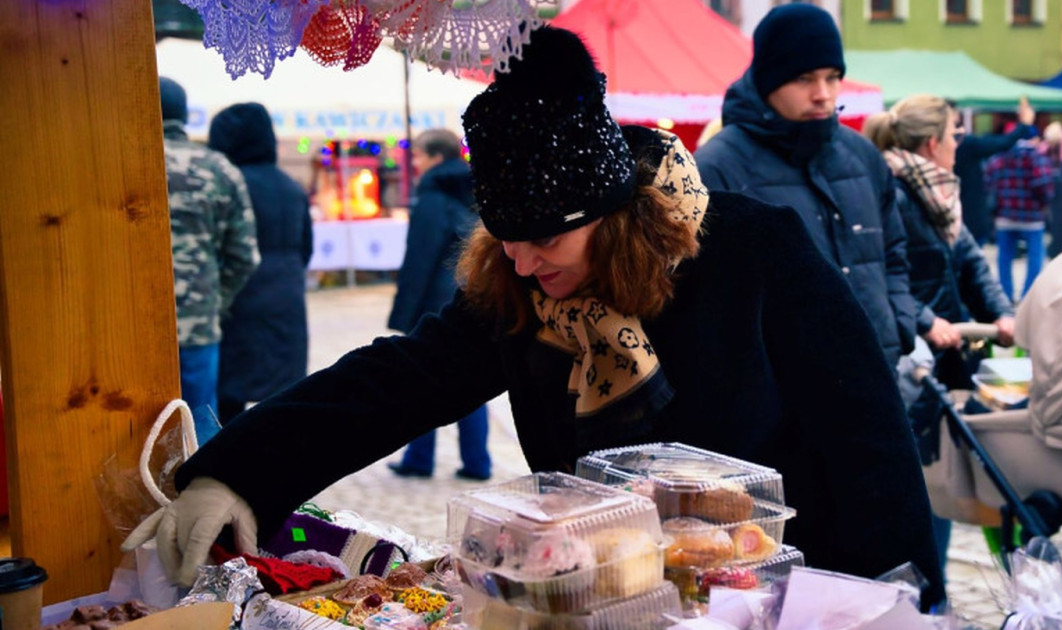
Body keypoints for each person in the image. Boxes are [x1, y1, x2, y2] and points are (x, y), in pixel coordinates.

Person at [125, 27, 945, 609]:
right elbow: (399, 380)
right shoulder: (522, 288)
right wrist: (240, 467)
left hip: (784, 594)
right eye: (505, 240)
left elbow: (865, 433)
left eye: (546, 238)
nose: (522, 263)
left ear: (612, 214)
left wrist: (898, 597)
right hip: (607, 597)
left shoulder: (756, 251)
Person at [694, 3, 915, 368]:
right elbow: (707, 299)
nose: (823, 94)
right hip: (784, 402)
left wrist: (898, 323)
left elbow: (893, 251)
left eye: (831, 77)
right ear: (769, 79)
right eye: (804, 78)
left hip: (879, 376)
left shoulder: (862, 155)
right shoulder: (717, 168)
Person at [864, 95, 1017, 580]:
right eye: (955, 135)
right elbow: (890, 273)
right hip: (917, 358)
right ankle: (929, 588)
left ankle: (953, 578)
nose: (958, 144)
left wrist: (1004, 314)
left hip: (957, 350)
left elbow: (970, 260)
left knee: (962, 466)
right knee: (927, 476)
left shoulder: (940, 193)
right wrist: (927, 319)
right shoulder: (896, 192)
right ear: (932, 143)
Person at [386, 128, 491, 481]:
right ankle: (477, 462)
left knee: (421, 377)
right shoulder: (476, 189)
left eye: (416, 156)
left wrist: (403, 310)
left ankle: (419, 457)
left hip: (433, 298)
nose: (413, 163)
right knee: (473, 379)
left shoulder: (432, 195)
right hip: (468, 292)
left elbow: (420, 257)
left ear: (434, 157)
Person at [160, 77, 259, 425]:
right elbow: (245, 256)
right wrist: (216, 302)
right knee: (199, 423)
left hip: (128, 326)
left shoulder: (118, 163)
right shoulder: (219, 168)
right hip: (198, 321)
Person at [206, 103, 312, 425]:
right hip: (287, 300)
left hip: (239, 301)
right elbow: (306, 247)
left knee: (229, 397)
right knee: (282, 394)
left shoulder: (229, 183)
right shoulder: (291, 186)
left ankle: (229, 466)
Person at [950, 97, 1038, 247]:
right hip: (968, 220)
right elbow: (1002, 143)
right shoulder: (965, 144)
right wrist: (1024, 124)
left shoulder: (964, 144)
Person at [984, 135, 1055, 303]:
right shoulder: (1037, 158)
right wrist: (1044, 202)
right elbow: (1044, 185)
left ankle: (1005, 295)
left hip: (1005, 217)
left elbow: (988, 181)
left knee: (1005, 257)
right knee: (1035, 257)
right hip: (1032, 218)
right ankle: (1027, 297)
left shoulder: (1000, 157)